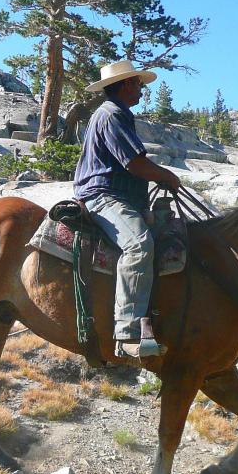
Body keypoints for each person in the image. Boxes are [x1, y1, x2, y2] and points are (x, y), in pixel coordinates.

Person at [73, 59, 181, 359]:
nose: (141, 90)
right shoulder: (111, 115)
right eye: (137, 83)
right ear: (123, 85)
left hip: (121, 197)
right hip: (103, 195)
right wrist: (166, 176)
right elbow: (133, 163)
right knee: (138, 244)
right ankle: (128, 332)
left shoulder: (119, 114)